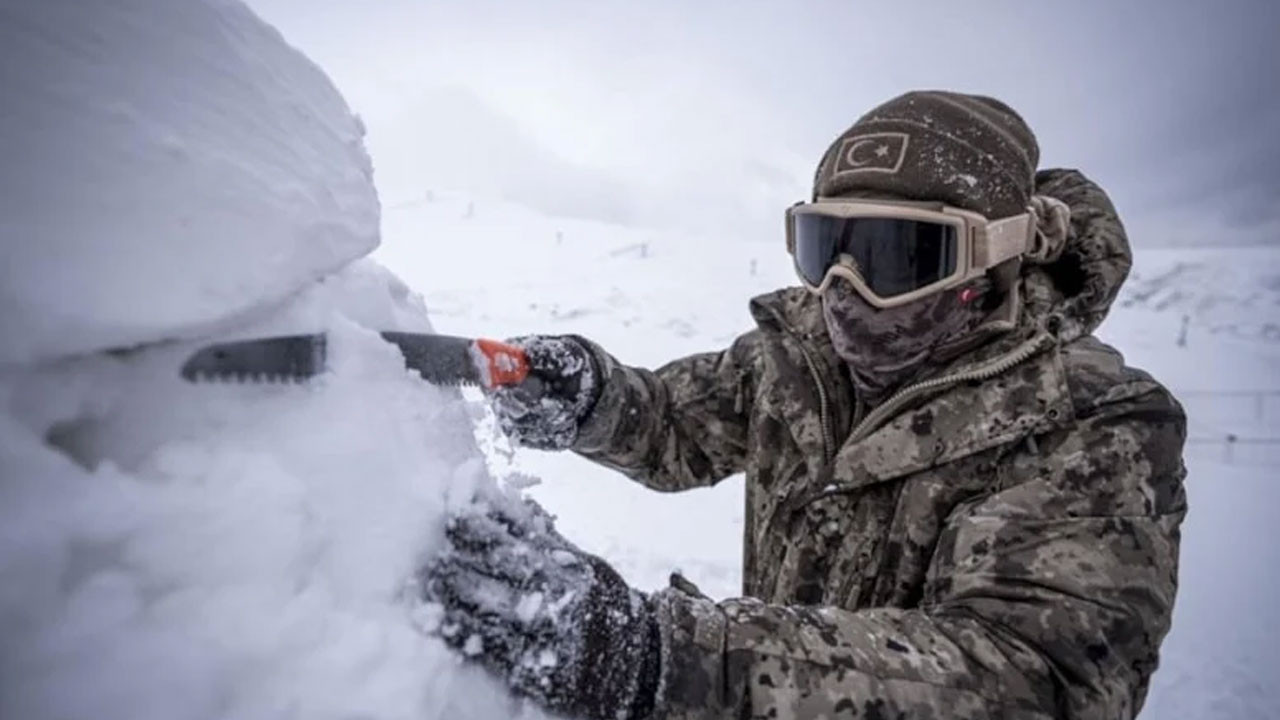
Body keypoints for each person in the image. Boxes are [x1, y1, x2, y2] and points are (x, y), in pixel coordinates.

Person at [422, 90, 1188, 720]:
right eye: (827, 248)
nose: (844, 294)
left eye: (896, 255)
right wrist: (591, 396)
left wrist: (670, 659)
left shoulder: (1093, 424)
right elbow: (674, 424)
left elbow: (1032, 682)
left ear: (991, 263)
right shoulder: (799, 358)